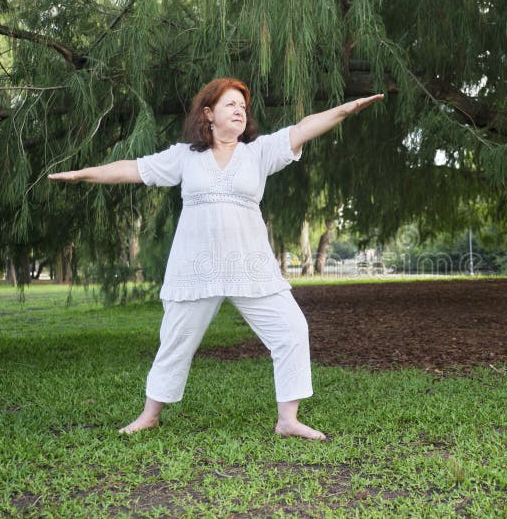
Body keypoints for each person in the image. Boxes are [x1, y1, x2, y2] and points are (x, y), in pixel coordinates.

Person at [49, 78, 383, 440]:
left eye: (243, 106)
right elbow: (133, 169)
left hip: (250, 267)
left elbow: (303, 128)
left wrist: (346, 109)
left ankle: (288, 420)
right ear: (209, 114)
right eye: (231, 105)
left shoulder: (260, 153)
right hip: (197, 268)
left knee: (292, 330)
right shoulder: (184, 158)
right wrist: (84, 174)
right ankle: (149, 415)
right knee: (175, 340)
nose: (240, 111)